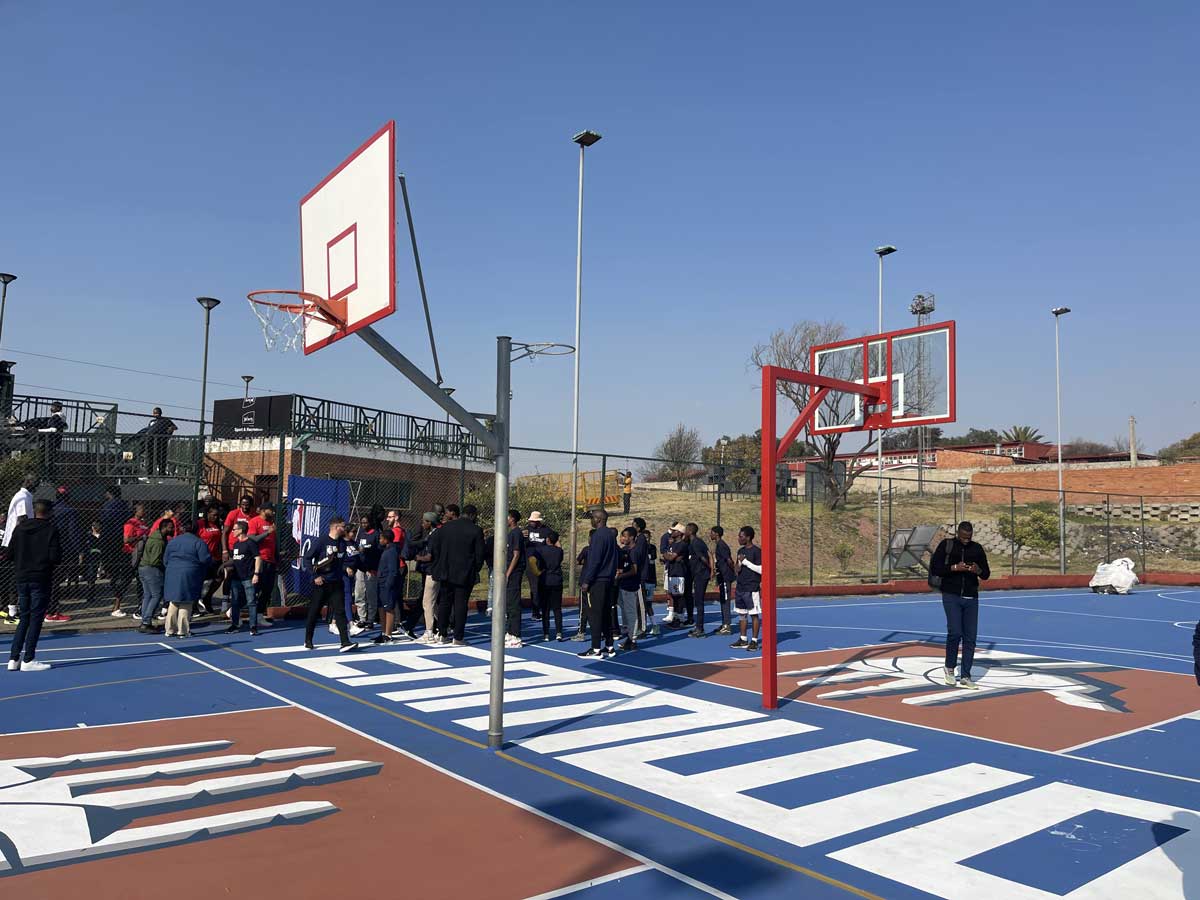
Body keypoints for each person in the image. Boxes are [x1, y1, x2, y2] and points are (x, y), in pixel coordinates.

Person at [929, 521, 991, 690]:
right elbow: (936, 568)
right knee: (955, 632)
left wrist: (977, 570)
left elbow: (986, 574)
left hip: (971, 597)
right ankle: (950, 668)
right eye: (963, 537)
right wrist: (954, 567)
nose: (966, 540)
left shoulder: (977, 549)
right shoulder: (946, 545)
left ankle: (966, 675)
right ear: (958, 533)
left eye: (969, 537)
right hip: (951, 595)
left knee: (970, 637)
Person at [7, 499, 61, 672]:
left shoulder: (20, 528)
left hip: (22, 576)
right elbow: (55, 556)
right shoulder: (51, 530)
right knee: (36, 618)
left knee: (25, 617)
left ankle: (13, 658)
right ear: (50, 513)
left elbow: (9, 554)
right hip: (40, 576)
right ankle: (28, 658)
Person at [431, 504, 485, 647]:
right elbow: (480, 555)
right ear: (473, 515)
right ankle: (458, 636)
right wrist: (475, 569)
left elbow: (436, 547)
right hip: (464, 573)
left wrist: (441, 564)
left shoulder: (446, 528)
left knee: (444, 602)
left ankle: (442, 633)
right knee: (461, 605)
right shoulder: (476, 530)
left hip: (446, 571)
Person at [303, 515, 358, 653]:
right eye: (343, 526)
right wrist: (315, 576)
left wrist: (346, 568)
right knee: (314, 611)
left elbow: (343, 561)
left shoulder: (342, 543)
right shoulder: (322, 541)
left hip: (336, 583)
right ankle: (308, 639)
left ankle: (345, 642)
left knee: (340, 612)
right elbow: (307, 559)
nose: (345, 529)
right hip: (322, 583)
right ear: (335, 527)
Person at [163, 518, 213, 638]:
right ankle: (183, 631)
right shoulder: (198, 542)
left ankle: (169, 630)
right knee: (186, 601)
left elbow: (165, 559)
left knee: (173, 601)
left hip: (172, 572)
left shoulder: (173, 541)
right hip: (190, 573)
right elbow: (205, 559)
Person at [578, 508, 618, 658]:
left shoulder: (597, 536)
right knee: (607, 613)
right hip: (608, 580)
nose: (591, 520)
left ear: (599, 519)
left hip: (597, 581)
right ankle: (609, 646)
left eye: (593, 517)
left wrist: (587, 580)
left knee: (595, 615)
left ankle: (595, 649)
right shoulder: (610, 535)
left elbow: (594, 561)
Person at [3, 475, 36, 619]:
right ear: (30, 484)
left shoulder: (23, 495)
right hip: (18, 542)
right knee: (16, 576)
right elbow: (22, 520)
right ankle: (12, 611)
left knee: (16, 575)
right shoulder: (23, 497)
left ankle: (12, 608)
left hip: (17, 541)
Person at [48, 485, 81, 621]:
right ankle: (52, 611)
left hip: (46, 548)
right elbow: (73, 533)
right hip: (62, 549)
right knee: (56, 581)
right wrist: (78, 551)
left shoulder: (49, 510)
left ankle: (47, 608)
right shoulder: (69, 511)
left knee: (47, 580)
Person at [408, 511, 441, 642]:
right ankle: (441, 627)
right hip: (437, 571)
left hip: (432, 571)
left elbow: (429, 556)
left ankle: (429, 632)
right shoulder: (436, 534)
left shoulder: (433, 536)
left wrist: (417, 557)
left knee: (427, 603)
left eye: (424, 521)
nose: (422, 524)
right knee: (434, 602)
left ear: (429, 522)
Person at [226, 520, 262, 635]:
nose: (232, 531)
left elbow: (258, 558)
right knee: (235, 602)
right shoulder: (236, 544)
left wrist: (256, 574)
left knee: (251, 601)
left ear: (240, 530)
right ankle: (235, 624)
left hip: (248, 577)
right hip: (236, 578)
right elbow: (235, 559)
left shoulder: (250, 543)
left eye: (234, 529)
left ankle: (253, 626)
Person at [100, 486, 132, 615]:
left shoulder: (107, 506)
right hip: (121, 540)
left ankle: (112, 578)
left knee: (112, 567)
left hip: (109, 540)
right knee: (123, 569)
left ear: (109, 493)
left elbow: (103, 521)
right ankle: (117, 594)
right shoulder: (125, 506)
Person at [138, 519, 173, 634]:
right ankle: (146, 622)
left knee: (147, 595)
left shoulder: (154, 536)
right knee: (156, 595)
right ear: (164, 527)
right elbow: (154, 561)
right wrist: (164, 566)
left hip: (143, 567)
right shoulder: (159, 541)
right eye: (170, 527)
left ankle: (145, 620)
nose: (172, 529)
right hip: (151, 569)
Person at [730, 526, 762, 652]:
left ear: (748, 537)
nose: (739, 538)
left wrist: (746, 562)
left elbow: (761, 569)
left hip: (751, 587)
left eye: (741, 536)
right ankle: (743, 639)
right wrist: (737, 565)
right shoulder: (740, 551)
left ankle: (754, 641)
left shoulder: (757, 551)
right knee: (742, 614)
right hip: (740, 587)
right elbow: (737, 570)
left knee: (753, 615)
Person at [246, 503, 278, 629]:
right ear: (264, 510)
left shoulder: (271, 523)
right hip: (260, 560)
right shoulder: (255, 522)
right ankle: (237, 611)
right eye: (271, 510)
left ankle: (259, 614)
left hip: (271, 561)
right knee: (255, 589)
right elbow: (252, 538)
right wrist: (267, 533)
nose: (273, 512)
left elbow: (274, 542)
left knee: (267, 589)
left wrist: (276, 558)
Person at [616, 527, 644, 651]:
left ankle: (633, 639)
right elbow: (626, 567)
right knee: (625, 611)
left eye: (625, 536)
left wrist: (621, 575)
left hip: (631, 586)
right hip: (624, 586)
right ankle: (629, 636)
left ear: (632, 537)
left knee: (631, 612)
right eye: (622, 536)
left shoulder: (635, 551)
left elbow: (634, 570)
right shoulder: (625, 550)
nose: (623, 538)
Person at [503, 509, 527, 648]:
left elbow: (516, 555)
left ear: (512, 519)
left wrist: (508, 573)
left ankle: (516, 635)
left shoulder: (516, 533)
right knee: (509, 603)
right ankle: (510, 632)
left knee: (513, 603)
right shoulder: (511, 533)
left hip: (514, 573)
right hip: (509, 572)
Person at [373, 529, 402, 644]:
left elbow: (393, 571)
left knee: (389, 608)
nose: (379, 540)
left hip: (387, 585)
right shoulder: (386, 550)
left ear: (386, 539)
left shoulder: (392, 552)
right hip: (381, 584)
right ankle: (383, 632)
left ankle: (389, 635)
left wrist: (388, 584)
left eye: (381, 538)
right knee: (381, 608)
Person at [121, 503, 148, 620]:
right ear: (136, 511)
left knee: (141, 581)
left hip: (141, 555)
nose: (143, 511)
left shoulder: (143, 523)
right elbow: (126, 539)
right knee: (126, 580)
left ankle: (140, 606)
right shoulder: (130, 523)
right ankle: (117, 606)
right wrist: (140, 538)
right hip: (131, 554)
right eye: (141, 509)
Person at [354, 513, 381, 631]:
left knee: (371, 594)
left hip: (371, 568)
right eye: (362, 523)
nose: (364, 525)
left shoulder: (375, 534)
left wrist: (368, 550)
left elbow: (379, 550)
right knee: (359, 593)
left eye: (366, 522)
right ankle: (362, 618)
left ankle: (371, 619)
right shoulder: (360, 533)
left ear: (370, 522)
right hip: (361, 568)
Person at [633, 518, 659, 637]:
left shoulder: (641, 540)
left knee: (643, 603)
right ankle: (639, 626)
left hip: (642, 577)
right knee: (638, 603)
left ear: (638, 528)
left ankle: (642, 628)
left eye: (633, 525)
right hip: (639, 576)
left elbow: (638, 556)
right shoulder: (639, 539)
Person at [685, 523, 711, 638]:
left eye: (686, 529)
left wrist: (710, 569)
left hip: (701, 574)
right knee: (698, 601)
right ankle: (698, 627)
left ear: (690, 531)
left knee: (699, 602)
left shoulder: (695, 543)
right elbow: (709, 553)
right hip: (698, 574)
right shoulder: (697, 542)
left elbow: (704, 557)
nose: (684, 531)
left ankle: (700, 629)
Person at [662, 523, 690, 629]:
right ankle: (676, 617)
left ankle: (679, 618)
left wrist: (666, 554)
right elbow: (669, 557)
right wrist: (668, 556)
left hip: (679, 574)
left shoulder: (682, 544)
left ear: (679, 533)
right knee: (674, 595)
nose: (672, 532)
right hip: (672, 572)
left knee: (678, 596)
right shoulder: (673, 544)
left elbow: (670, 557)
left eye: (674, 531)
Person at [539, 530, 565, 642]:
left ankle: (546, 633)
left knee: (545, 609)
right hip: (557, 580)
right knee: (557, 608)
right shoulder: (559, 551)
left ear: (547, 540)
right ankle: (559, 632)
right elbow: (560, 548)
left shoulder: (541, 550)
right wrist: (557, 541)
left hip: (545, 580)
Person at [197, 506, 223, 615]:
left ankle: (207, 598)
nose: (215, 517)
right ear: (208, 514)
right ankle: (195, 604)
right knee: (200, 581)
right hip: (202, 557)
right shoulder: (200, 524)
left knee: (219, 578)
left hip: (215, 557)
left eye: (217, 515)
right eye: (213, 515)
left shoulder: (217, 525)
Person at [526, 511, 551, 624]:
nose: (531, 522)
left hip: (544, 562)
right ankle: (536, 611)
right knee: (534, 587)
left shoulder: (547, 531)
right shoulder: (525, 531)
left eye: (533, 521)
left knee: (544, 587)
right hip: (531, 563)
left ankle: (543, 608)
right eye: (530, 520)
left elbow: (554, 543)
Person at [710, 525, 735, 635]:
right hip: (722, 576)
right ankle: (724, 623)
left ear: (716, 534)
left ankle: (727, 626)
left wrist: (733, 570)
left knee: (725, 600)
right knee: (722, 599)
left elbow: (729, 560)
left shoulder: (721, 545)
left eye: (711, 533)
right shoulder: (718, 545)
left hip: (725, 577)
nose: (710, 534)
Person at [142, 407, 177, 476]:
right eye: (154, 413)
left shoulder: (165, 420)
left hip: (161, 442)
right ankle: (149, 473)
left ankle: (162, 473)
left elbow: (174, 427)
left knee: (162, 458)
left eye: (157, 413)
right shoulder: (152, 422)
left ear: (160, 413)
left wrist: (169, 430)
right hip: (151, 443)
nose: (156, 414)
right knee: (150, 458)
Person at [83, 520, 107, 610]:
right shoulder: (88, 536)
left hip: (99, 558)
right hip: (91, 559)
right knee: (91, 576)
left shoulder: (102, 536)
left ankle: (92, 593)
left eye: (98, 527)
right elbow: (88, 548)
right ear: (92, 527)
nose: (97, 528)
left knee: (95, 576)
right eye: (95, 526)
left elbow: (103, 547)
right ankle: (90, 595)